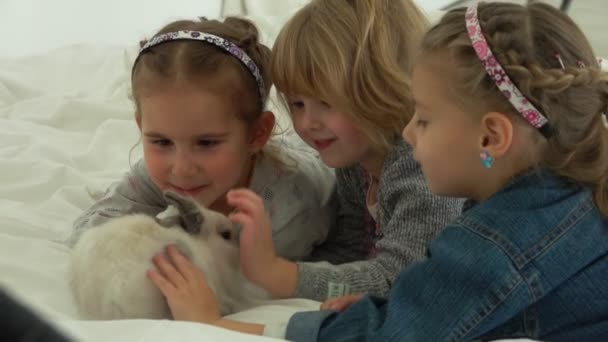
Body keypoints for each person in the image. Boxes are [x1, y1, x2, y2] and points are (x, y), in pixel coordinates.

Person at [148, 2, 608, 340]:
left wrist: (217, 326)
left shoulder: (494, 243)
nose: (409, 132)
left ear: (491, 138)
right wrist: (384, 299)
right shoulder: (542, 196)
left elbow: (388, 334)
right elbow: (403, 282)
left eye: (423, 118)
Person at [69, 17, 336, 263]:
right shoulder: (158, 173)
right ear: (141, 127)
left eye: (206, 143)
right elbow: (89, 230)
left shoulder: (289, 211)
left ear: (256, 134)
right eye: (162, 142)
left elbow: (247, 281)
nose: (182, 168)